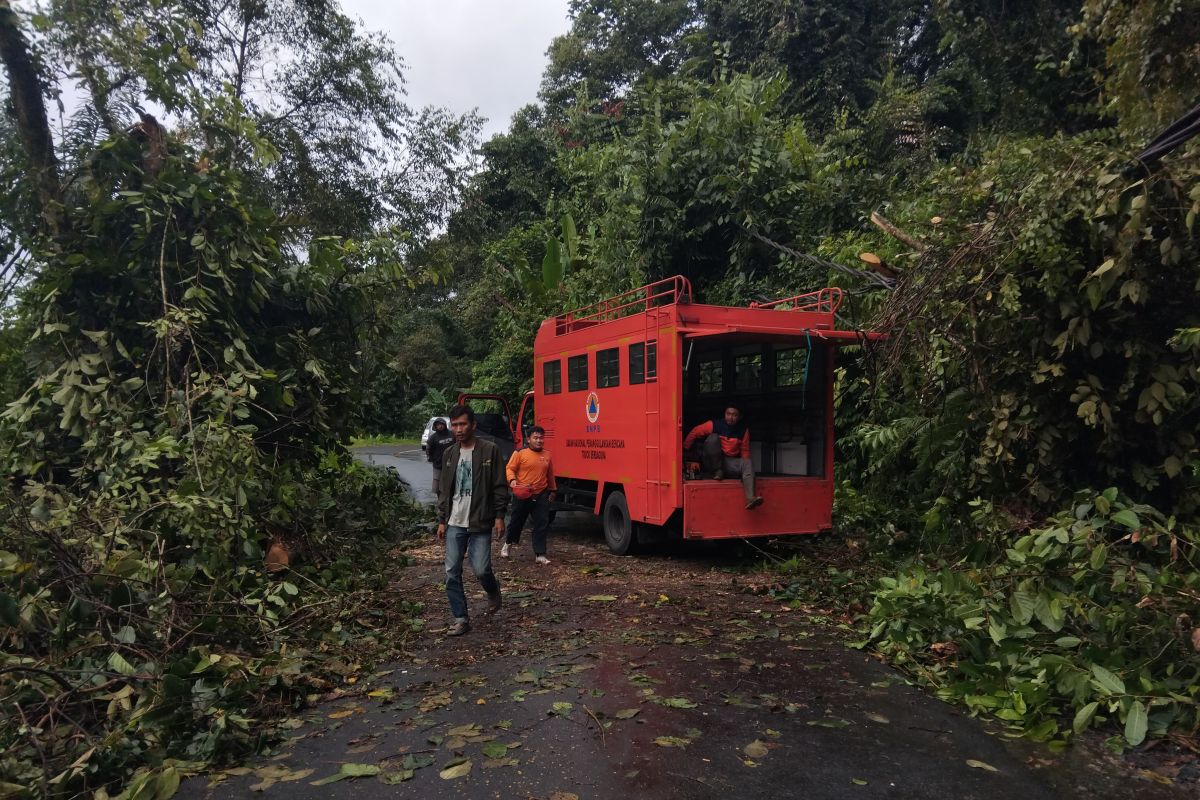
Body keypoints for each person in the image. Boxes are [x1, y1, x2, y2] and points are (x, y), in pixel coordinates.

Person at [436, 404, 508, 636]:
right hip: (455, 522)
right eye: (454, 425)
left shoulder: (490, 450)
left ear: (473, 425)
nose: (458, 429)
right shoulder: (449, 454)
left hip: (480, 521)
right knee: (451, 572)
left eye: (463, 424)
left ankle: (493, 590)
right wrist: (441, 520)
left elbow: (499, 485)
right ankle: (460, 618)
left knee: (481, 569)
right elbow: (444, 491)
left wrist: (499, 516)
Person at [683, 406, 764, 510]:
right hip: (711, 462)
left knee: (747, 462)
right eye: (728, 414)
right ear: (724, 414)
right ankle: (717, 470)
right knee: (713, 438)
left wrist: (744, 472)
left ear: (740, 417)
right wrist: (685, 448)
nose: (730, 417)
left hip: (727, 462)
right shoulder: (714, 424)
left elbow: (745, 450)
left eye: (734, 415)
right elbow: (695, 431)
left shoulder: (743, 430)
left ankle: (750, 498)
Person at [502, 426, 556, 563]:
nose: (539, 440)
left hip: (541, 494)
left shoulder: (547, 455)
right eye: (536, 438)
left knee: (542, 523)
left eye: (541, 438)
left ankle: (540, 554)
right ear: (528, 439)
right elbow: (509, 468)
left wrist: (553, 490)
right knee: (516, 522)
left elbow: (550, 474)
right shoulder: (520, 453)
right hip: (522, 493)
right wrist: (512, 481)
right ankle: (508, 543)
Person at [426, 418, 454, 497]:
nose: (440, 426)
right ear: (435, 426)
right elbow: (428, 448)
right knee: (437, 481)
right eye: (438, 425)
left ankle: (450, 496)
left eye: (441, 424)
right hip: (438, 463)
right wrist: (430, 457)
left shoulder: (452, 434)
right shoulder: (433, 437)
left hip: (451, 461)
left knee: (450, 480)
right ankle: (440, 498)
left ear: (444, 424)